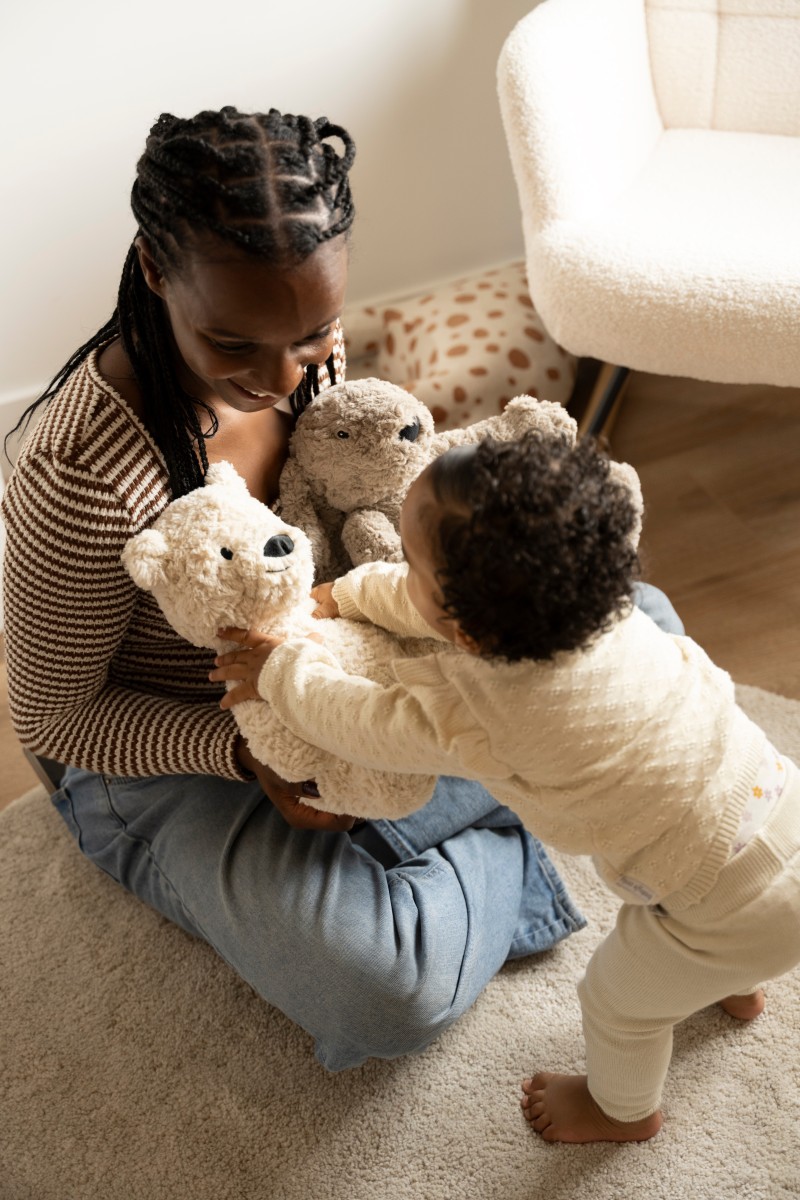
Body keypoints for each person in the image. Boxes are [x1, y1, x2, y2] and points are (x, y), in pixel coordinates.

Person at [3, 104, 618, 1073]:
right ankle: (512, 818)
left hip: (325, 672)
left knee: (626, 626)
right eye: (233, 345)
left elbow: (356, 507)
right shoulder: (79, 474)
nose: (281, 373)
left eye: (313, 333)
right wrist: (250, 760)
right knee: (384, 994)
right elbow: (54, 721)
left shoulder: (305, 355)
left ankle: (470, 794)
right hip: (162, 749)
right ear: (157, 272)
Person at [211, 431, 800, 1139]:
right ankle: (735, 984)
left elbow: (362, 720)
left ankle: (622, 1111)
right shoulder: (608, 609)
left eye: (412, 563)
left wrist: (280, 671)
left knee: (619, 1002)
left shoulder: (484, 714)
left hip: (719, 904)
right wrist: (343, 597)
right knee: (728, 938)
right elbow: (418, 599)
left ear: (462, 627)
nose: (400, 570)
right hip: (778, 806)